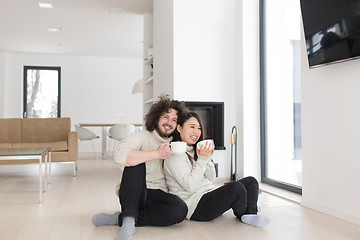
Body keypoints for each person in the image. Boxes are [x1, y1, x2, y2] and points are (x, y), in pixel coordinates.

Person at [92, 94, 189, 240]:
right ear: (156, 118)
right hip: (135, 192)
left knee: (181, 209)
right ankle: (128, 223)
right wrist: (156, 154)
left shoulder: (177, 144)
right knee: (134, 163)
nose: (169, 122)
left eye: (174, 120)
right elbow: (119, 155)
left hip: (158, 196)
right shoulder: (142, 136)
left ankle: (123, 219)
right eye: (165, 117)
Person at [164, 112, 270, 227]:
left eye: (199, 128)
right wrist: (203, 160)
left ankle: (250, 210)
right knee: (236, 188)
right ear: (179, 128)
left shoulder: (195, 151)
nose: (196, 132)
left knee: (251, 181)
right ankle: (246, 210)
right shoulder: (174, 155)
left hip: (208, 194)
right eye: (192, 127)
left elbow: (211, 179)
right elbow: (190, 186)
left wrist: (208, 157)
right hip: (196, 206)